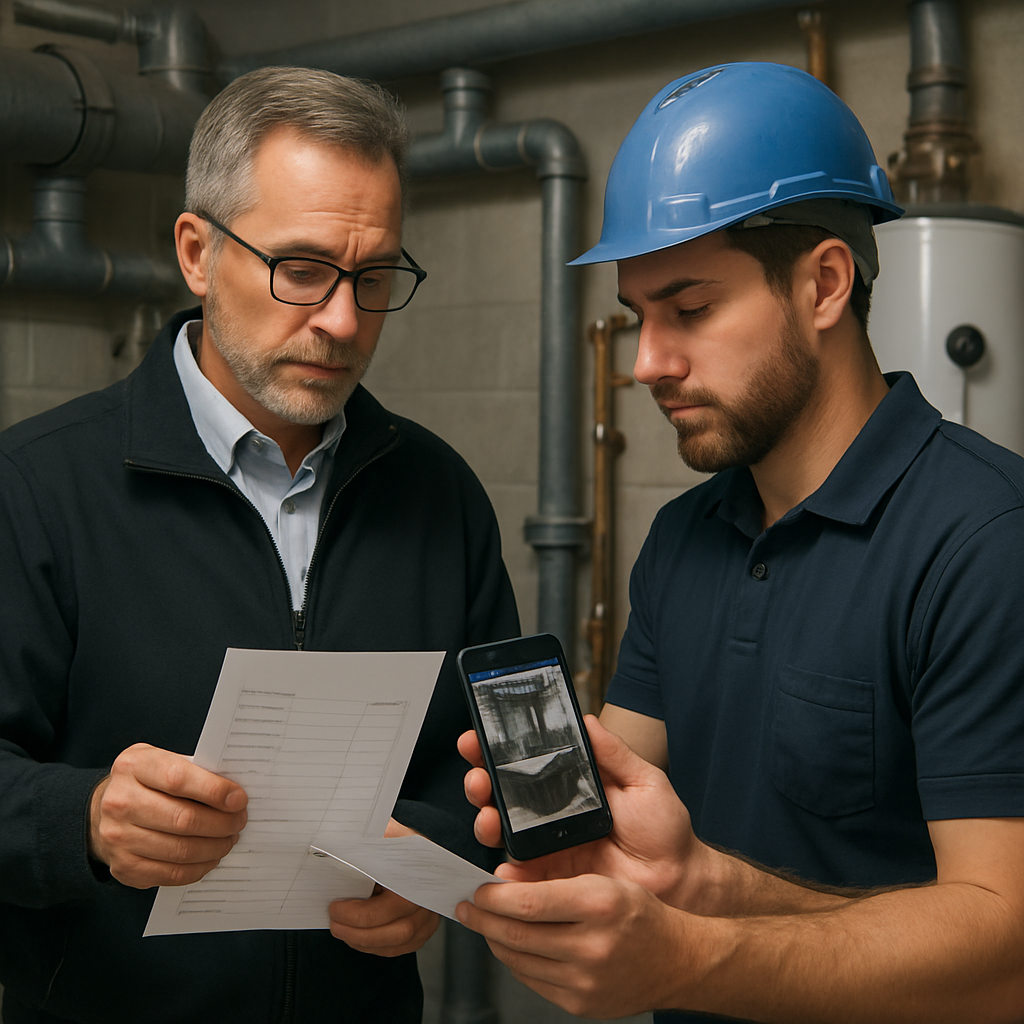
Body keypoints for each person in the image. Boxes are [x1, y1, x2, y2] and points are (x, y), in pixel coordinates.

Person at [455, 62, 1024, 1022]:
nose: (647, 363)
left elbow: (1004, 952)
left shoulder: (983, 541)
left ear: (825, 285)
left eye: (691, 309)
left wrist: (688, 956)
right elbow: (638, 814)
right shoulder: (685, 536)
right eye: (639, 317)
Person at [0, 67, 518, 1024]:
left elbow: (487, 751)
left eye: (374, 278)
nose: (343, 322)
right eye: (303, 269)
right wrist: (81, 821)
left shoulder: (441, 496)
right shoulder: (33, 489)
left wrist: (441, 853)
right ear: (198, 253)